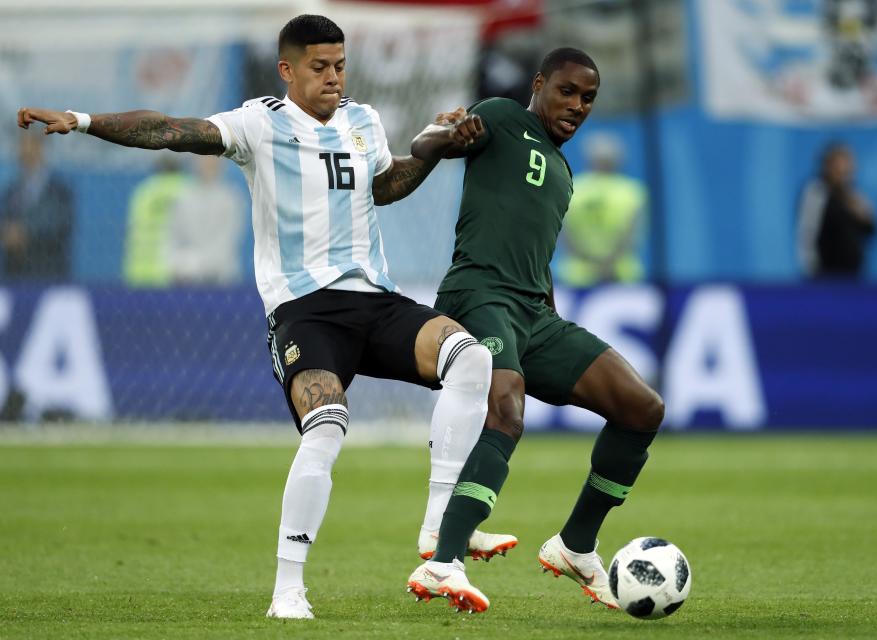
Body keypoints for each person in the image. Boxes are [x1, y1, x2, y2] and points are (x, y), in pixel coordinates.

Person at [17, 14, 513, 620]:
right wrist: (85, 121)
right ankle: (288, 589)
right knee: (327, 427)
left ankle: (437, 529)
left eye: (340, 66)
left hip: (375, 300)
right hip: (306, 312)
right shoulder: (260, 123)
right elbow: (171, 129)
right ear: (288, 70)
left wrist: (433, 150)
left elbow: (384, 187)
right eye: (319, 67)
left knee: (473, 359)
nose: (333, 78)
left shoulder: (364, 121)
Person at [405, 48, 664, 613]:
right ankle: (443, 561)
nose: (577, 106)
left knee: (641, 408)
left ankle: (576, 545)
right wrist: (446, 132)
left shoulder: (565, 171)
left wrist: (545, 311)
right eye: (568, 92)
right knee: (507, 406)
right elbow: (424, 149)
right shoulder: (499, 117)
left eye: (589, 98)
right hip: (478, 293)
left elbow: (535, 252)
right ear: (540, 84)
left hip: (534, 314)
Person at [557, 132, 647, 287]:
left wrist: (589, 263)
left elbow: (562, 234)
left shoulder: (570, 188)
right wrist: (607, 265)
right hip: (621, 274)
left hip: (577, 274)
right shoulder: (633, 192)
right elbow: (631, 237)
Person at [797, 142, 877, 278]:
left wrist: (858, 210)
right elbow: (808, 231)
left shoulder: (853, 194)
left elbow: (871, 228)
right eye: (839, 164)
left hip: (853, 274)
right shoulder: (816, 191)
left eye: (848, 165)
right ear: (827, 165)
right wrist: (810, 267)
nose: (844, 170)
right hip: (824, 274)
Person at [0, 133, 74, 281]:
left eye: (30, 146)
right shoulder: (12, 192)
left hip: (48, 275)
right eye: (22, 146)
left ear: (41, 149)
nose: (24, 151)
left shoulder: (59, 192)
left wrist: (25, 233)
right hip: (16, 275)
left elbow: (59, 224)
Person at [167, 155, 246, 285]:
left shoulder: (231, 200)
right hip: (185, 281)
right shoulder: (182, 198)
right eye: (203, 158)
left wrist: (196, 264)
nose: (208, 163)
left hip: (222, 281)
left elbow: (225, 244)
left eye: (212, 158)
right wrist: (179, 263)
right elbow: (172, 239)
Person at [123, 155, 187, 287]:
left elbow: (132, 229)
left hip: (140, 269)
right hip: (175, 271)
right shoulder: (187, 189)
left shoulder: (144, 190)